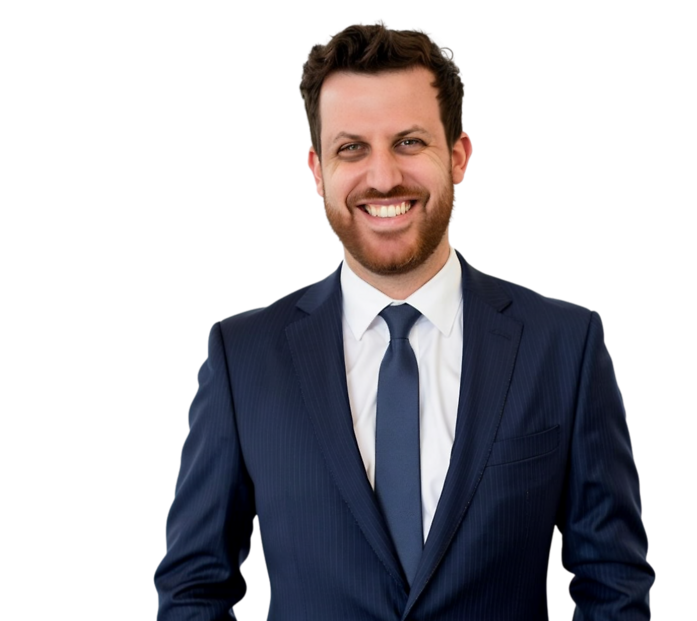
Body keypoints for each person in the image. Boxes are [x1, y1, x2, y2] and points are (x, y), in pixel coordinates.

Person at [153, 19, 655, 620]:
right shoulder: (242, 356)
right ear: (316, 170)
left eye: (409, 142)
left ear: (459, 156)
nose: (384, 177)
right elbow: (193, 588)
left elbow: (613, 584)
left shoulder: (565, 345)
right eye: (352, 148)